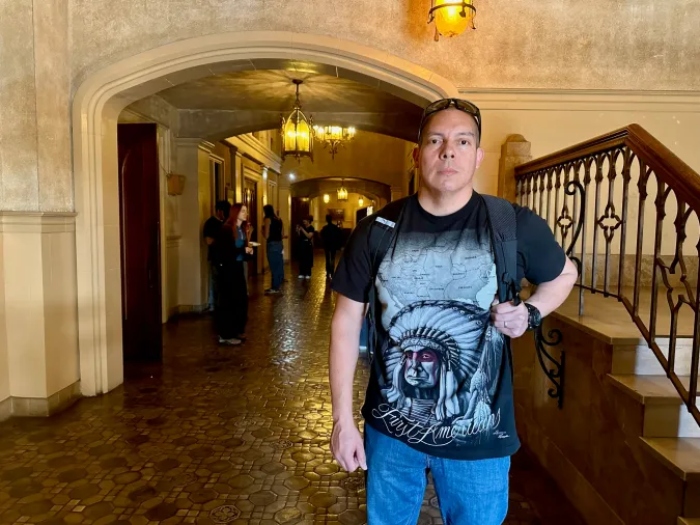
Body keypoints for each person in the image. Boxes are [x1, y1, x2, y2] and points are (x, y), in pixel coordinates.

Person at [329, 99, 578, 525]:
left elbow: (564, 275)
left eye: (463, 142)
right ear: (417, 154)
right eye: (436, 141)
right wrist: (341, 420)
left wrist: (531, 312)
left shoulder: (511, 225)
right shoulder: (377, 231)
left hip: (480, 440)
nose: (449, 152)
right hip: (389, 434)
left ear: (477, 156)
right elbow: (346, 322)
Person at [215, 203, 254, 345]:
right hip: (227, 270)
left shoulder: (241, 229)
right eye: (242, 211)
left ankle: (237, 330)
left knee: (240, 300)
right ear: (235, 213)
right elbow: (226, 252)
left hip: (237, 267)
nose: (245, 213)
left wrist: (248, 252)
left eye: (246, 211)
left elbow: (241, 249)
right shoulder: (226, 229)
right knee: (229, 301)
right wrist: (243, 250)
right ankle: (226, 334)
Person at [203, 200, 231, 311]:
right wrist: (221, 240)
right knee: (215, 281)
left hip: (226, 257)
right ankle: (214, 304)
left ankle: (223, 303)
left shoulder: (226, 223)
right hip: (216, 256)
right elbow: (208, 241)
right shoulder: (210, 223)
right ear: (219, 211)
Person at [262, 204, 285, 294]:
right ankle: (278, 286)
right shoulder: (279, 219)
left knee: (274, 267)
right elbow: (282, 235)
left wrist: (262, 231)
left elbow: (266, 236)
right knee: (278, 265)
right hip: (279, 244)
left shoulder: (268, 220)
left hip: (272, 245)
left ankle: (275, 288)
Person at [320, 214, 342, 280]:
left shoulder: (325, 228)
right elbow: (339, 236)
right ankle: (332, 272)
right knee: (332, 258)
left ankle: (328, 272)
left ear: (326, 220)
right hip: (333, 245)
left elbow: (321, 236)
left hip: (327, 245)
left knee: (327, 259)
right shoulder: (335, 227)